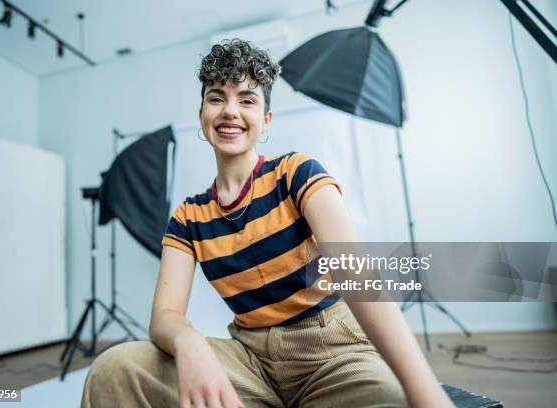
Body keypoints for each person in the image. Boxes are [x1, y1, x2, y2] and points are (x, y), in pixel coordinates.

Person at [81, 39, 453, 408]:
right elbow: (165, 315)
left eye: (247, 100)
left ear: (265, 120)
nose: (230, 111)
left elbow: (355, 274)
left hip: (334, 352)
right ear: (201, 115)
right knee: (116, 369)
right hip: (251, 360)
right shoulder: (187, 218)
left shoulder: (297, 173)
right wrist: (189, 343)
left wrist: (426, 394)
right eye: (216, 98)